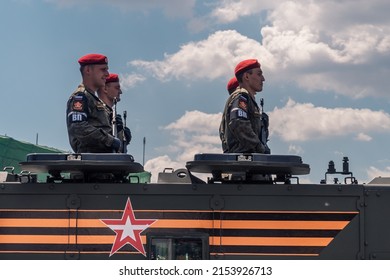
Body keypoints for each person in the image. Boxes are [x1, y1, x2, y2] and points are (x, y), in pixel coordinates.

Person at [66, 53, 121, 153]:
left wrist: (119, 131)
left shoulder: (96, 101)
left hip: (103, 160)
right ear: (88, 70)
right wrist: (109, 140)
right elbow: (78, 127)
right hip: (90, 162)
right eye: (103, 69)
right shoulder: (80, 96)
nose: (107, 74)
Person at [219, 59, 269, 153]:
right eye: (259, 74)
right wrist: (259, 147)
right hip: (243, 161)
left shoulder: (246, 98)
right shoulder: (242, 96)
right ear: (246, 76)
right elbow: (238, 122)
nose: (263, 79)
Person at [97, 73, 132, 153]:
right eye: (117, 88)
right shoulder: (97, 111)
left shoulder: (111, 113)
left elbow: (116, 150)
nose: (120, 92)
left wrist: (124, 139)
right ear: (105, 88)